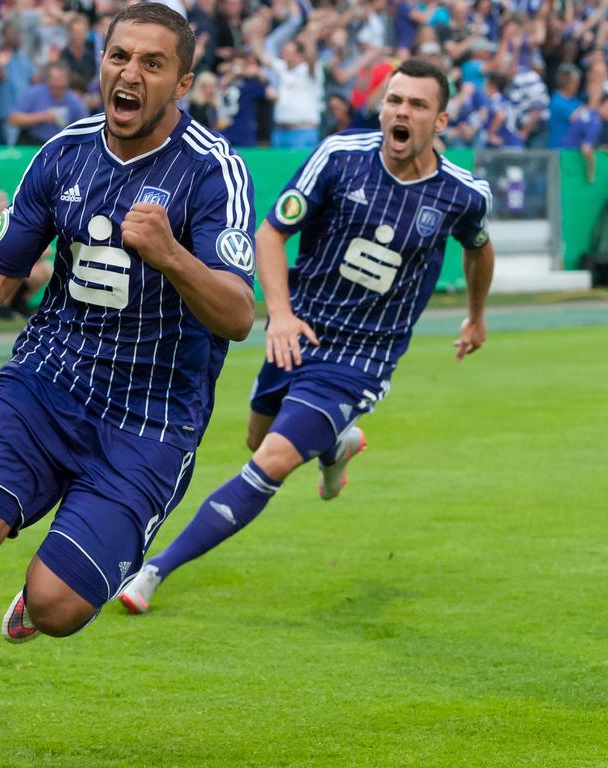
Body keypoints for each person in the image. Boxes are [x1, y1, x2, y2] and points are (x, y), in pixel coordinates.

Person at [0, 4, 256, 766]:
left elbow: (237, 316)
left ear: (183, 81)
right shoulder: (61, 154)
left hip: (149, 420)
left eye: (152, 63)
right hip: (46, 381)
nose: (129, 74)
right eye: (118, 56)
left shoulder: (212, 171)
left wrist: (173, 257)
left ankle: (38, 600)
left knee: (61, 609)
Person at [119, 57, 495, 616]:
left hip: (363, 356)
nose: (402, 112)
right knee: (257, 435)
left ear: (440, 121)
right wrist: (282, 315)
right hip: (301, 331)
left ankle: (152, 571)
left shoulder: (462, 195)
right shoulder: (340, 158)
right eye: (395, 100)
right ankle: (338, 446)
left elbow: (479, 247)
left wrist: (476, 315)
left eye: (417, 105)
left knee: (268, 460)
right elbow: (271, 233)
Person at [8, 62, 87, 145]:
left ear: (68, 81)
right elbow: (13, 120)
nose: (58, 84)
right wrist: (41, 117)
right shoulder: (34, 93)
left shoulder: (73, 101)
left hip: (60, 144)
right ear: (48, 80)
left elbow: (85, 127)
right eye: (55, 79)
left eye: (61, 79)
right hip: (32, 141)